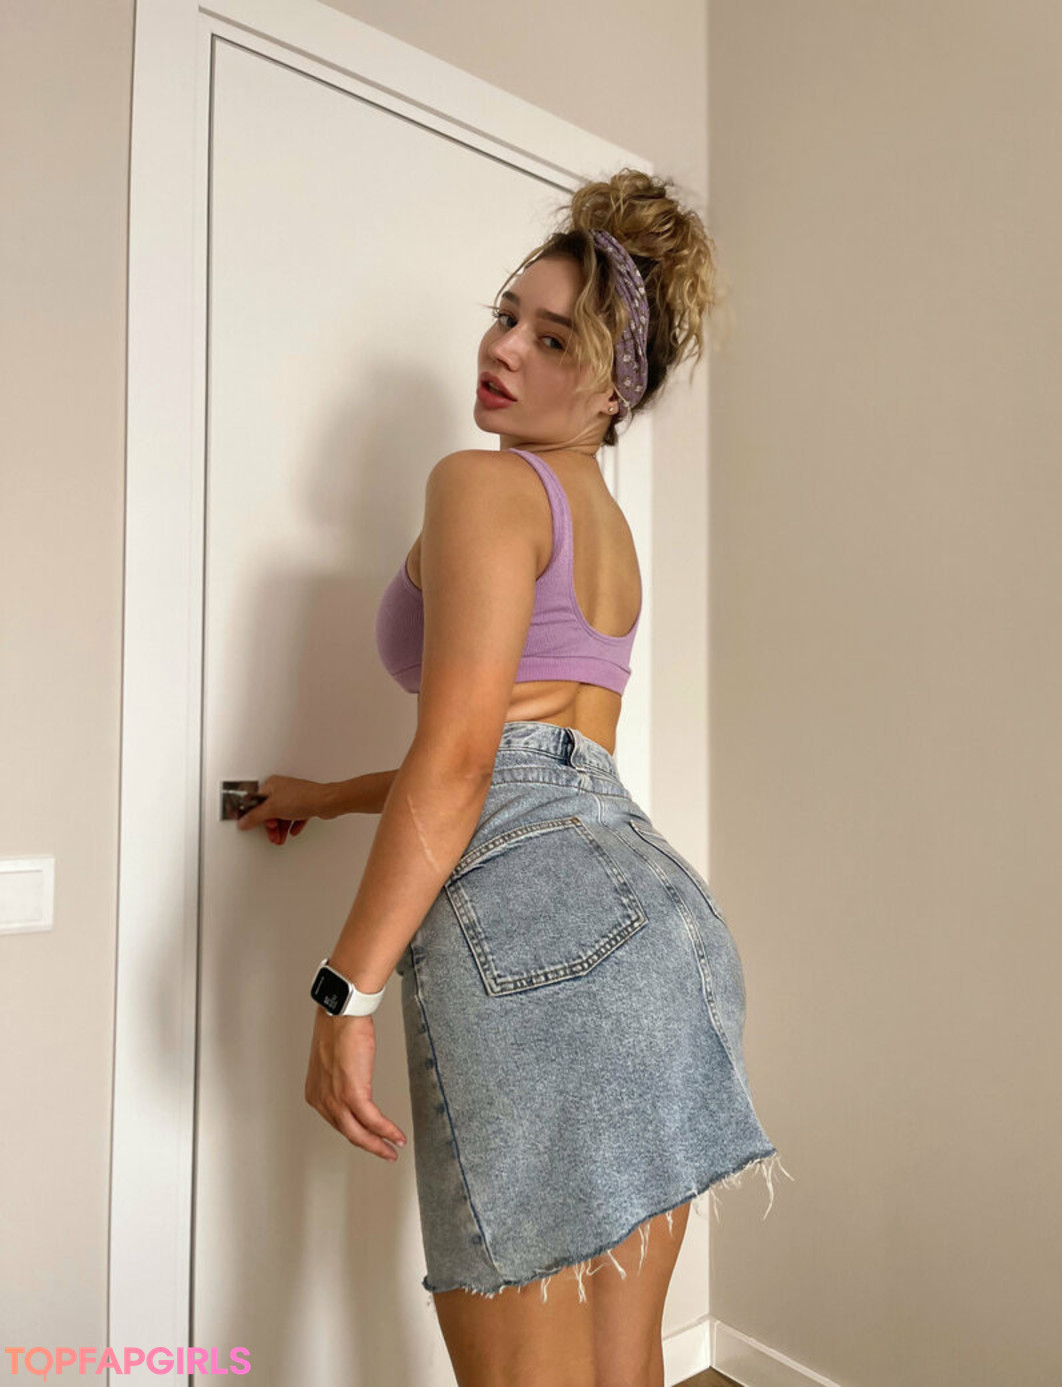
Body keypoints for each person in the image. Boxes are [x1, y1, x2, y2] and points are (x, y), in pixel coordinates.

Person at [238, 168, 790, 1387]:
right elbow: (531, 756)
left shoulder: (482, 483)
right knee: (621, 1363)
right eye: (506, 315)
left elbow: (469, 762)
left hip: (535, 935)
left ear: (612, 389)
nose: (503, 349)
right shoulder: (606, 527)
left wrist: (343, 994)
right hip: (664, 926)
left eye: (554, 340)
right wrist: (320, 797)